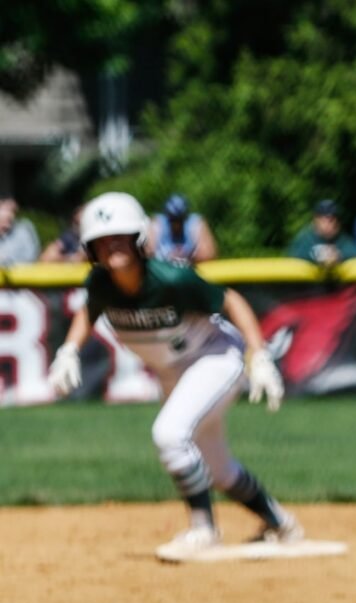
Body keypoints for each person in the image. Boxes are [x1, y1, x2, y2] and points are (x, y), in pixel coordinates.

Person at [47, 191, 303, 560]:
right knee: (218, 468)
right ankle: (282, 523)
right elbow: (91, 310)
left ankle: (203, 530)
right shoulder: (101, 283)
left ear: (139, 239)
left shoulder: (171, 279)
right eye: (101, 241)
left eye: (120, 237)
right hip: (175, 371)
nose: (111, 247)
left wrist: (258, 354)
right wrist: (69, 349)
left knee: (170, 435)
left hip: (215, 357)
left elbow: (229, 299)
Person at [148, 193, 218, 265]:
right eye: (173, 220)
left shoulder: (194, 224)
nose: (176, 224)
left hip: (190, 271)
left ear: (185, 218)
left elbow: (208, 255)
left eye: (179, 220)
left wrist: (187, 258)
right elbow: (147, 255)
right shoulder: (157, 225)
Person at [287, 199, 356, 267]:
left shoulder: (343, 239)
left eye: (332, 220)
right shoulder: (305, 238)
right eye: (324, 220)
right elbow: (294, 258)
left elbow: (355, 255)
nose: (329, 225)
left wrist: (339, 257)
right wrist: (317, 258)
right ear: (315, 221)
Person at [0, 196, 41, 266]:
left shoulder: (23, 231)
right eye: (7, 210)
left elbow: (31, 260)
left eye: (13, 211)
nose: (11, 215)